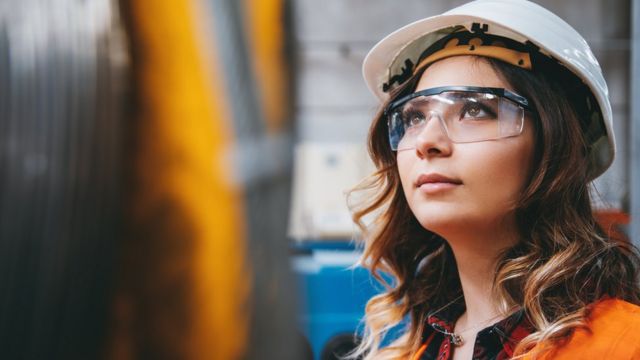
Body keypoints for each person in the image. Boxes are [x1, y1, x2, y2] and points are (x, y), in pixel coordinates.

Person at [349, 0, 640, 359]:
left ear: (556, 146)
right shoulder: (404, 354)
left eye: (475, 109)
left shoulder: (625, 345)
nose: (426, 141)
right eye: (413, 118)